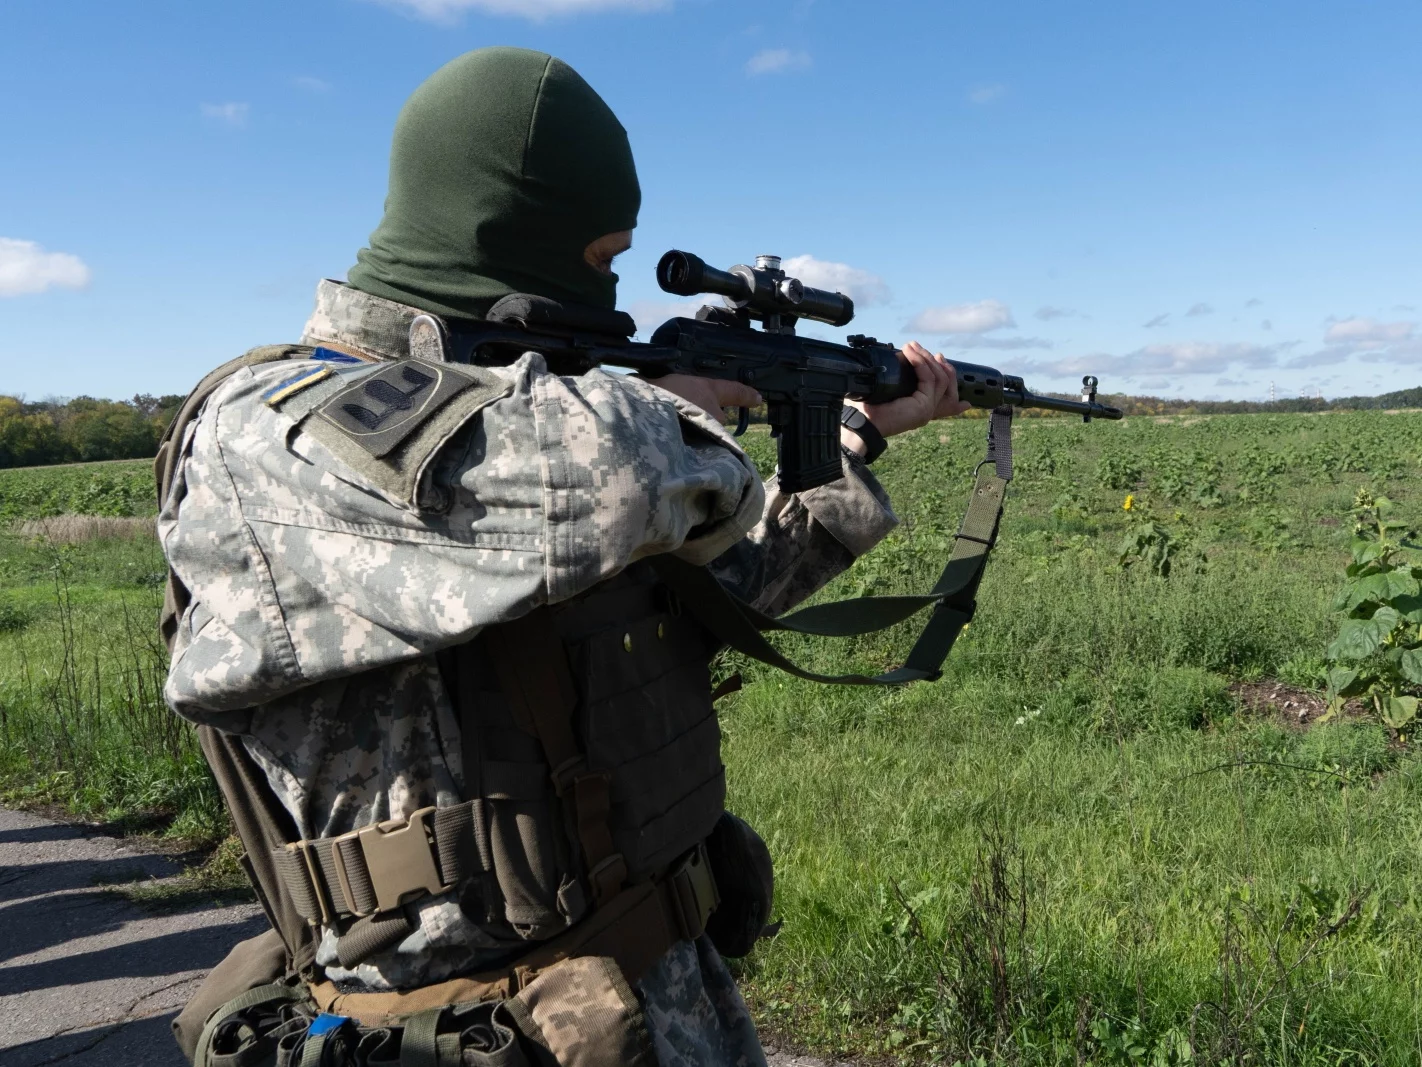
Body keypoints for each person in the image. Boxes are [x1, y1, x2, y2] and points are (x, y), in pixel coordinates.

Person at [158, 46, 967, 1066]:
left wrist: (855, 431)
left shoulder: (529, 427)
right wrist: (688, 401)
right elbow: (613, 473)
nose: (613, 293)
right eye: (602, 261)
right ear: (498, 230)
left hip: (640, 1002)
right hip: (452, 1029)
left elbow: (721, 586)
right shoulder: (276, 430)